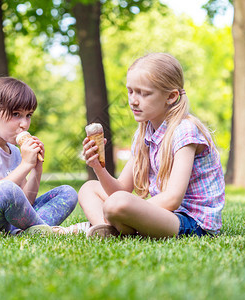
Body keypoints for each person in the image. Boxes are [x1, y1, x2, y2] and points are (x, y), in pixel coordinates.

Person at [75, 53, 225, 238]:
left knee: (117, 203)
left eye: (144, 93)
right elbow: (121, 189)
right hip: (163, 214)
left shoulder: (185, 130)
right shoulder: (143, 134)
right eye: (130, 91)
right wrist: (97, 166)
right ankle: (106, 228)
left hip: (192, 223)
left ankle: (108, 223)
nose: (133, 100)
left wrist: (131, 208)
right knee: (88, 188)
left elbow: (172, 199)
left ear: (171, 96)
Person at [0, 77, 78, 235]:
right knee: (4, 189)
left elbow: (25, 201)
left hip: (8, 224)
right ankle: (47, 230)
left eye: (28, 115)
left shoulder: (15, 151)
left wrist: (36, 168)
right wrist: (24, 165)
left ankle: (32, 231)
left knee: (67, 192)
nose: (24, 123)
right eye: (16, 114)